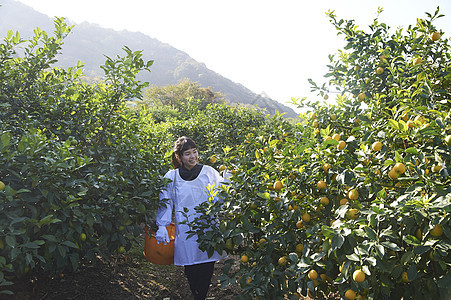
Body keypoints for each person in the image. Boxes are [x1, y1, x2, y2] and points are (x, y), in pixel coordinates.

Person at [155, 136, 227, 300]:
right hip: (186, 231)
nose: (193, 156)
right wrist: (162, 225)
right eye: (188, 153)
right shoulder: (171, 177)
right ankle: (197, 293)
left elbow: (220, 197)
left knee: (207, 265)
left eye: (195, 152)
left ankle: (200, 296)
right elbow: (165, 202)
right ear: (179, 157)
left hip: (208, 228)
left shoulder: (208, 172)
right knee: (191, 269)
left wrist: (228, 182)